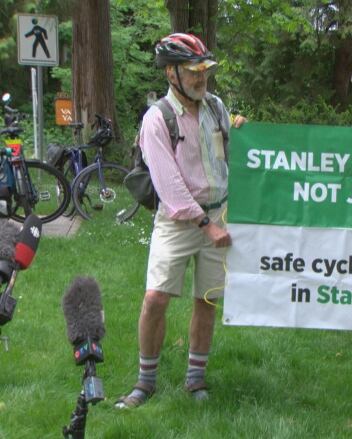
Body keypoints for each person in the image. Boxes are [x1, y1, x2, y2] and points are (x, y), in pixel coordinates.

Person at [115, 33, 246, 409]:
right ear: (171, 74)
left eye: (204, 69)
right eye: (193, 70)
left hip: (218, 212)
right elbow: (170, 187)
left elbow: (232, 156)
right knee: (156, 297)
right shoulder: (157, 118)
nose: (201, 76)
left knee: (206, 300)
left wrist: (244, 133)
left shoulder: (216, 107)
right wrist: (208, 226)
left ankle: (195, 379)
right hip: (180, 222)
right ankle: (145, 383)